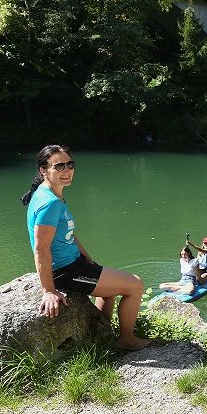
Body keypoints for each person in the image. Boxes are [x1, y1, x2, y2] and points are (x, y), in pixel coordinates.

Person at [22, 145, 151, 351]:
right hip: (65, 272)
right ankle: (126, 339)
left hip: (74, 263)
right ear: (43, 170)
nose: (67, 170)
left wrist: (88, 259)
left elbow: (67, 233)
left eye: (70, 164)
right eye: (59, 166)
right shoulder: (50, 203)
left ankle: (102, 335)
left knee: (109, 292)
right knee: (135, 285)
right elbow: (41, 249)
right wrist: (49, 290)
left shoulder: (50, 193)